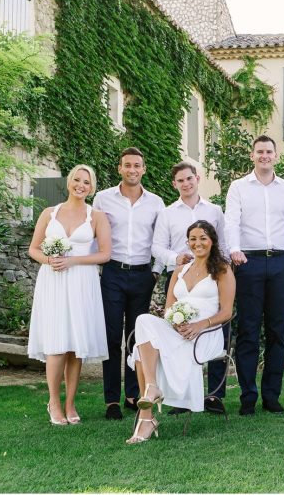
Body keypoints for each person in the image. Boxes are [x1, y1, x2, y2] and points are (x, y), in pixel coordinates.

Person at [124, 221, 235, 443]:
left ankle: (146, 418)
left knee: (139, 350)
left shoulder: (222, 270)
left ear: (212, 241)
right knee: (143, 320)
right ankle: (152, 390)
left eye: (203, 238)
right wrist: (175, 323)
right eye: (192, 239)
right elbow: (168, 309)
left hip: (206, 334)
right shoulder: (180, 270)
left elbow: (227, 312)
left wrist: (199, 325)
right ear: (187, 242)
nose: (197, 243)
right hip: (177, 330)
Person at [27, 164, 112, 426]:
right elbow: (33, 249)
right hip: (53, 282)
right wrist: (49, 260)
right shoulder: (49, 213)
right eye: (77, 180)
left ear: (92, 187)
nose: (81, 185)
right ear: (69, 182)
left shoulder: (96, 216)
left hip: (82, 282)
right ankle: (53, 402)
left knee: (76, 347)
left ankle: (70, 402)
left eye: (86, 182)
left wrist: (73, 260)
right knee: (56, 344)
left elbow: (105, 254)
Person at [225, 135, 284, 415]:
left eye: (269, 151)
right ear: (252, 155)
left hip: (281, 262)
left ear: (276, 155)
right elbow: (231, 220)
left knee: (277, 331)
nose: (265, 156)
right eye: (260, 152)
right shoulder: (238, 187)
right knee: (248, 331)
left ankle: (271, 395)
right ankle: (248, 395)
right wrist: (234, 248)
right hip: (249, 262)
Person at [152, 161, 230, 415]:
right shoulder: (167, 213)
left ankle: (215, 396)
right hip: (182, 276)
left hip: (210, 278)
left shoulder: (215, 210)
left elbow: (224, 245)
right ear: (175, 184)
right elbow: (156, 247)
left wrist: (222, 273)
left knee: (215, 330)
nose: (186, 184)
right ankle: (181, 395)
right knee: (178, 332)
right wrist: (176, 260)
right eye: (180, 180)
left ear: (197, 179)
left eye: (189, 179)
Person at [93, 148, 165, 420]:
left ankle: (133, 395)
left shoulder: (156, 203)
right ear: (119, 168)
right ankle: (112, 399)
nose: (132, 169)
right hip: (112, 272)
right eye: (127, 165)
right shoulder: (103, 199)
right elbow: (93, 235)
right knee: (112, 337)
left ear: (144, 169)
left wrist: (156, 271)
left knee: (137, 338)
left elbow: (161, 240)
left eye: (137, 165)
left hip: (143, 275)